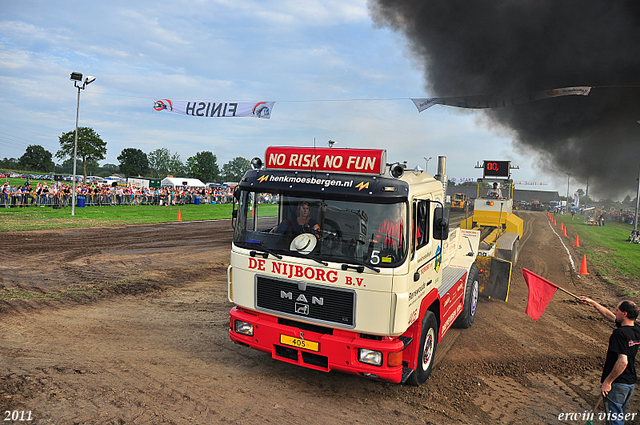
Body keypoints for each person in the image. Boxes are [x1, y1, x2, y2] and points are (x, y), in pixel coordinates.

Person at [579, 297, 640, 425]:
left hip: (617, 384)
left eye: (617, 310)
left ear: (625, 314)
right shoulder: (636, 330)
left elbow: (623, 361)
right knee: (619, 417)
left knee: (614, 421)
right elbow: (610, 316)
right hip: (629, 383)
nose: (614, 312)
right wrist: (593, 302)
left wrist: (608, 381)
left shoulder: (619, 334)